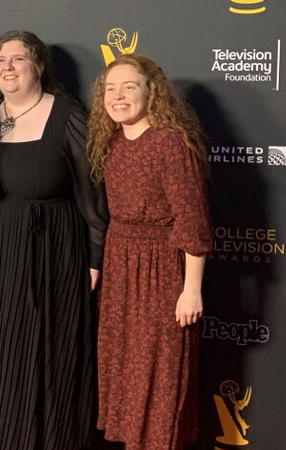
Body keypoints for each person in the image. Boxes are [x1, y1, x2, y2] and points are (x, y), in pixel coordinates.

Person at [0, 31, 108, 450]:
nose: (7, 67)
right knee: (1, 346)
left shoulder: (66, 115)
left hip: (52, 250)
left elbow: (92, 194)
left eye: (18, 59)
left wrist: (95, 258)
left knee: (48, 350)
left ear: (39, 65)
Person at [87, 53, 212, 450]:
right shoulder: (111, 143)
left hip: (163, 273)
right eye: (110, 88)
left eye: (129, 86)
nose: (118, 96)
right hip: (121, 268)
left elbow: (192, 220)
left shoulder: (172, 144)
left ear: (151, 92)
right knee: (124, 369)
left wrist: (191, 289)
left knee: (160, 373)